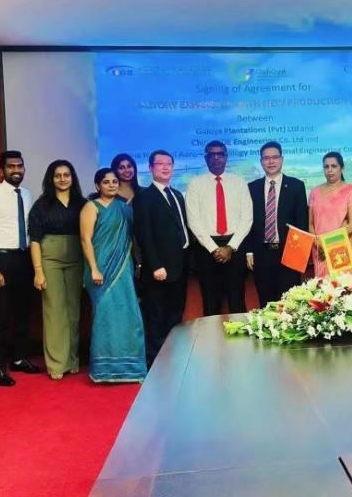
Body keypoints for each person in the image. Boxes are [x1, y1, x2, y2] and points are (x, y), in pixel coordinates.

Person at [0, 150, 41, 387]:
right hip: (1, 259)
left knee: (23, 313)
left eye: (19, 166)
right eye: (11, 166)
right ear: (1, 170)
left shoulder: (27, 193)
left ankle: (19, 358)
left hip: (24, 259)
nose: (16, 170)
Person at [81, 168, 147, 382]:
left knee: (129, 314)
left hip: (123, 269)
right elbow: (85, 239)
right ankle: (103, 370)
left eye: (114, 181)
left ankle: (131, 368)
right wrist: (94, 268)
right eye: (106, 182)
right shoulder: (91, 207)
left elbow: (132, 238)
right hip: (100, 270)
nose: (111, 185)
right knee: (105, 316)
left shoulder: (125, 208)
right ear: (97, 185)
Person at [28, 160, 86, 380]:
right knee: (54, 311)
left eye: (66, 175)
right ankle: (56, 364)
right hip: (49, 259)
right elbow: (35, 240)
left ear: (73, 178)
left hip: (77, 259)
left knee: (74, 311)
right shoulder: (41, 205)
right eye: (58, 175)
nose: (62, 179)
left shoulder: (82, 203)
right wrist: (38, 271)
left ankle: (72, 360)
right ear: (51, 179)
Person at [135, 150, 190, 367]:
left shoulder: (177, 194)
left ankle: (173, 358)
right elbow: (144, 235)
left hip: (180, 264)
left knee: (175, 314)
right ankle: (155, 363)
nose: (166, 167)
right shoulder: (144, 197)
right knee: (156, 315)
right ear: (150, 168)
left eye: (169, 164)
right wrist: (156, 265)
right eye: (160, 164)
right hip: (159, 269)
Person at [186, 140, 253, 316]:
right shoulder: (195, 184)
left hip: (235, 245)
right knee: (210, 301)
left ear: (226, 157)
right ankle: (211, 334)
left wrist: (230, 247)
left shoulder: (239, 182)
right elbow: (193, 221)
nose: (216, 158)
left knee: (237, 299)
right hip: (206, 248)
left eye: (220, 154)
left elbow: (247, 218)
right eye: (212, 154)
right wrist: (214, 249)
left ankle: (240, 335)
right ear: (205, 158)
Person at [246, 142, 308, 307]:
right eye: (266, 158)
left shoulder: (296, 186)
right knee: (266, 304)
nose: (271, 161)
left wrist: (299, 255)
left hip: (289, 253)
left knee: (290, 304)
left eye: (275, 157)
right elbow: (248, 222)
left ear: (282, 159)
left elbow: (302, 222)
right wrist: (249, 251)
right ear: (261, 161)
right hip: (262, 254)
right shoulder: (252, 188)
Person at [309, 151, 352, 278]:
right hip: (320, 250)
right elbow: (310, 224)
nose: (330, 170)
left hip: (342, 249)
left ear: (342, 168)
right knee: (322, 287)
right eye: (326, 166)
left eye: (334, 166)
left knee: (343, 287)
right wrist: (318, 243)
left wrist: (327, 244)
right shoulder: (315, 192)